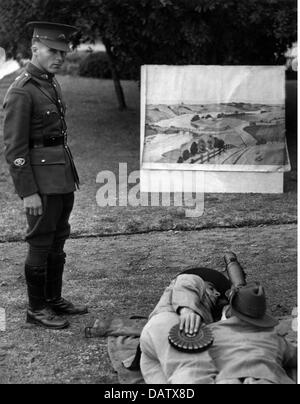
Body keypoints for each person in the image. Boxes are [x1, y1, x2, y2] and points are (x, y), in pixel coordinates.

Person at [2, 22, 88, 330]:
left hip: (62, 176)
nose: (60, 58)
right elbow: (15, 148)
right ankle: (36, 309)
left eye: (63, 52)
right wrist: (28, 192)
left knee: (58, 239)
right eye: (53, 51)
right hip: (40, 181)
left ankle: (53, 299)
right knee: (40, 242)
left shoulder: (50, 83)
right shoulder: (22, 91)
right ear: (35, 49)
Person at [140, 267, 231, 384]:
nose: (217, 293)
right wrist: (187, 310)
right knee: (195, 373)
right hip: (174, 326)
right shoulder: (194, 280)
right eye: (212, 288)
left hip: (152, 340)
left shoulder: (204, 315)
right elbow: (185, 282)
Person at [209, 282, 297, 385]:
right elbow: (294, 356)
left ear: (232, 310)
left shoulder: (212, 332)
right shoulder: (273, 336)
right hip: (269, 377)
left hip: (227, 377)